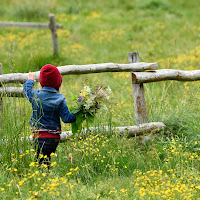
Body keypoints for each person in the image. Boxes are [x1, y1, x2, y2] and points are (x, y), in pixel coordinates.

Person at [24, 64, 76, 170]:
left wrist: (30, 80)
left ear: (42, 81)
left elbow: (26, 91)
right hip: (54, 139)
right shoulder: (60, 98)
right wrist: (80, 114)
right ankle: (46, 178)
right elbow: (67, 118)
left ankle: (43, 179)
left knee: (40, 163)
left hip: (38, 137)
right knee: (47, 161)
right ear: (58, 82)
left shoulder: (35, 95)